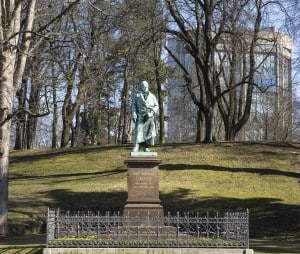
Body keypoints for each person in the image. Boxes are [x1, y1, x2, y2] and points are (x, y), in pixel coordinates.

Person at [131, 80, 159, 152]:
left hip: (149, 116)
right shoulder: (137, 96)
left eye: (146, 86)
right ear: (141, 87)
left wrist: (153, 112)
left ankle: (145, 147)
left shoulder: (152, 96)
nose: (145, 87)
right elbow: (133, 106)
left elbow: (156, 106)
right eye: (143, 86)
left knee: (147, 132)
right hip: (140, 115)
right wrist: (134, 114)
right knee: (138, 130)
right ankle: (136, 145)